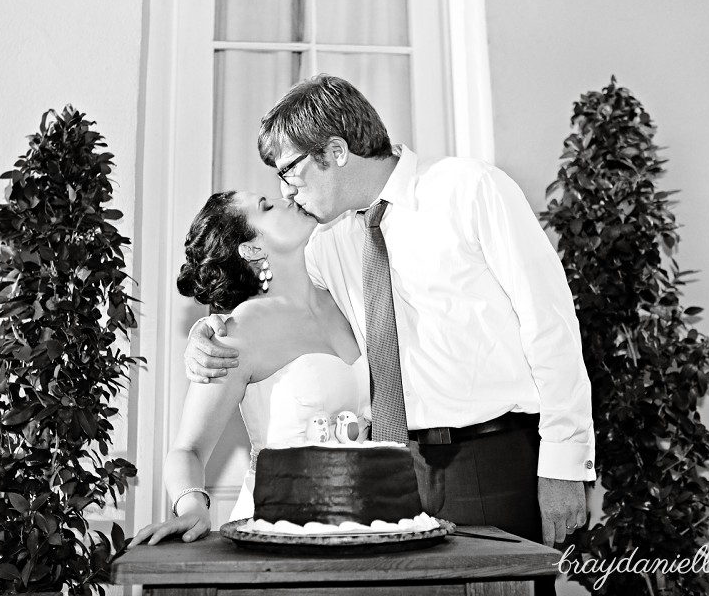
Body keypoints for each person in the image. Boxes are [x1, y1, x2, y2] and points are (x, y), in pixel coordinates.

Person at [186, 75, 594, 593]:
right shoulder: (326, 244)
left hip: (491, 463)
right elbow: (274, 300)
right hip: (388, 482)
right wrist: (208, 329)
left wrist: (563, 460)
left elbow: (551, 324)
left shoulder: (468, 189)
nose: (286, 192)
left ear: (335, 151)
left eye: (289, 171)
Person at [130, 189, 370, 546]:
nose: (286, 198)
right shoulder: (238, 333)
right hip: (278, 530)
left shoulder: (342, 294)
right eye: (266, 206)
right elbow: (187, 449)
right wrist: (193, 506)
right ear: (252, 249)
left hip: (363, 524)